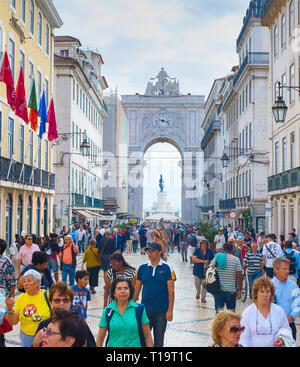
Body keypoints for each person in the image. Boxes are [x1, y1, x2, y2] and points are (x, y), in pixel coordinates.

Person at [133, 242, 175, 347]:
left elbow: (171, 291)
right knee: (142, 339)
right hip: (145, 310)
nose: (149, 253)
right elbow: (137, 289)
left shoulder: (167, 268)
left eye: (153, 251)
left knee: (159, 339)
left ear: (160, 252)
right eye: (148, 251)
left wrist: (170, 310)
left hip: (161, 311)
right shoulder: (142, 268)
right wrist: (130, 305)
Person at [33, 281, 95, 347]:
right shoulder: (44, 325)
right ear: (51, 302)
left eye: (66, 300)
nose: (61, 304)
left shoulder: (78, 324)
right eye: (57, 300)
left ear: (71, 302)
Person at [96, 278, 154, 347]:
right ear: (114, 293)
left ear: (130, 291)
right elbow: (100, 338)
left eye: (126, 288)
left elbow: (147, 336)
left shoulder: (139, 309)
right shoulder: (108, 311)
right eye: (119, 288)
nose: (123, 291)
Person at [239, 276, 292, 347]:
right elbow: (244, 337)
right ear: (256, 293)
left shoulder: (279, 311)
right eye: (262, 291)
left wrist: (282, 339)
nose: (265, 295)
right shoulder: (248, 312)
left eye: (268, 291)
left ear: (271, 294)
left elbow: (286, 329)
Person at [5, 269, 52, 347]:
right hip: (26, 337)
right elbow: (14, 321)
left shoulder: (47, 295)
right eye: (24, 281)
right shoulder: (21, 298)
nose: (25, 284)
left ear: (37, 282)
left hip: (46, 336)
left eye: (29, 281)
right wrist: (9, 308)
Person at [209, 242, 242, 314]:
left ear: (223, 249)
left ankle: (218, 325)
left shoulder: (217, 257)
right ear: (232, 249)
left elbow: (210, 269)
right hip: (231, 291)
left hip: (219, 290)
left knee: (219, 313)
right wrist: (239, 290)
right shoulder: (236, 259)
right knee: (231, 313)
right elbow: (239, 276)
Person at [272, 257, 300, 341]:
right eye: (284, 269)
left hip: (290, 325)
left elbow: (298, 306)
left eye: (288, 269)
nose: (287, 271)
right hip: (274, 326)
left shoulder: (293, 286)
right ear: (276, 270)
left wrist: (287, 320)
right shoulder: (270, 285)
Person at [0, 239, 16, 348]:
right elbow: (12, 282)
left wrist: (11, 299)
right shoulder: (7, 261)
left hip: (1, 298)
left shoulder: (6, 262)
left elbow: (11, 282)